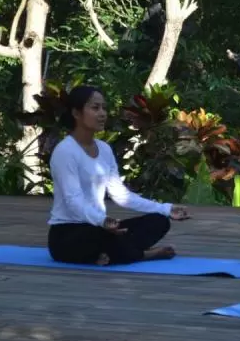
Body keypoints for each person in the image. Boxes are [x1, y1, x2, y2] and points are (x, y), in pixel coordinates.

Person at [47, 85, 190, 266]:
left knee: (159, 222)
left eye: (104, 108)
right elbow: (73, 200)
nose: (102, 114)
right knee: (98, 236)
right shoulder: (65, 151)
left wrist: (166, 209)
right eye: (95, 108)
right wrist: (102, 221)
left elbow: (121, 195)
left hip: (103, 228)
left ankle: (109, 255)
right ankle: (142, 254)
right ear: (76, 113)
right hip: (69, 233)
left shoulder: (104, 149)